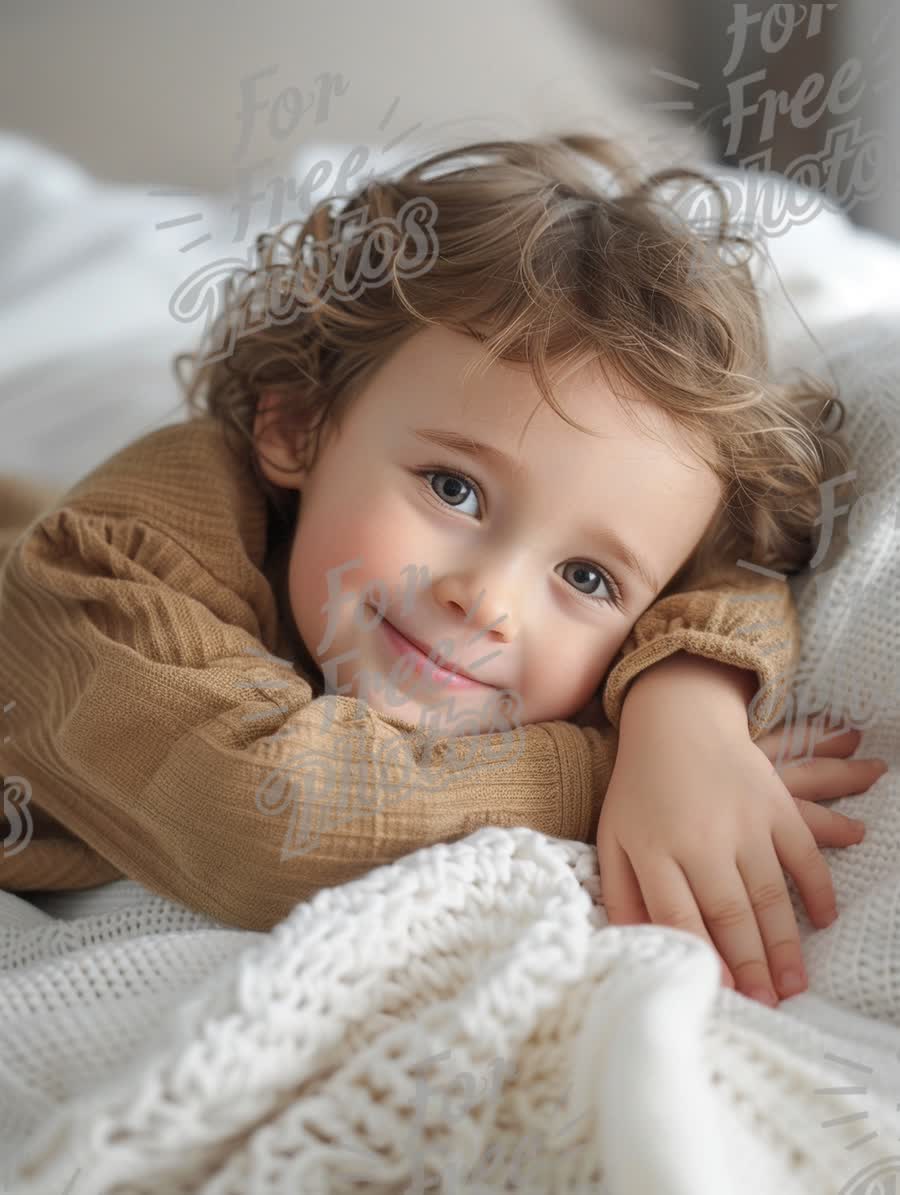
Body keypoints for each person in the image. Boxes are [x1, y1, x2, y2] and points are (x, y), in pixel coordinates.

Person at [0, 133, 883, 1010]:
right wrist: (619, 770)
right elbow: (267, 822)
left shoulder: (586, 604)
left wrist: (689, 713)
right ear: (297, 422)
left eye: (585, 577)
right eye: (455, 489)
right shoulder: (113, 566)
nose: (489, 600)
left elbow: (734, 577)